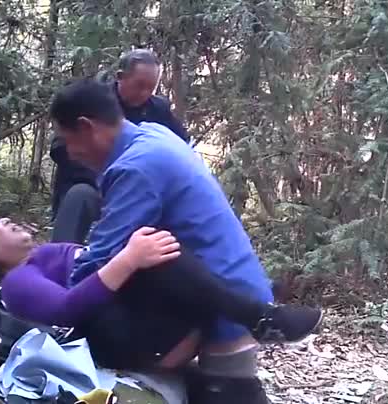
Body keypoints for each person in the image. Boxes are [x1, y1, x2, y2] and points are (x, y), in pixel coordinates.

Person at [51, 78, 321, 404]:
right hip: (233, 287)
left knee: (227, 388)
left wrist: (67, 277)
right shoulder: (154, 135)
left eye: (68, 141)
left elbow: (94, 271)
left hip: (212, 303)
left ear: (86, 127)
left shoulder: (135, 168)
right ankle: (258, 322)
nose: (71, 154)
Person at [0, 211, 322, 372]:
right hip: (132, 342)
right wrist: (131, 258)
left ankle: (248, 298)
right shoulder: (16, 281)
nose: (3, 220)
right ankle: (260, 316)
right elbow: (68, 310)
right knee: (155, 257)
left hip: (145, 327)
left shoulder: (43, 255)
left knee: (161, 244)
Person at [49, 48, 188, 244]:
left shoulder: (158, 109)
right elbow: (59, 147)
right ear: (120, 76)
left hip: (136, 189)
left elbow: (181, 145)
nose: (145, 93)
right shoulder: (93, 100)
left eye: (151, 88)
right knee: (79, 196)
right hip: (90, 184)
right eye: (140, 85)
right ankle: (59, 255)